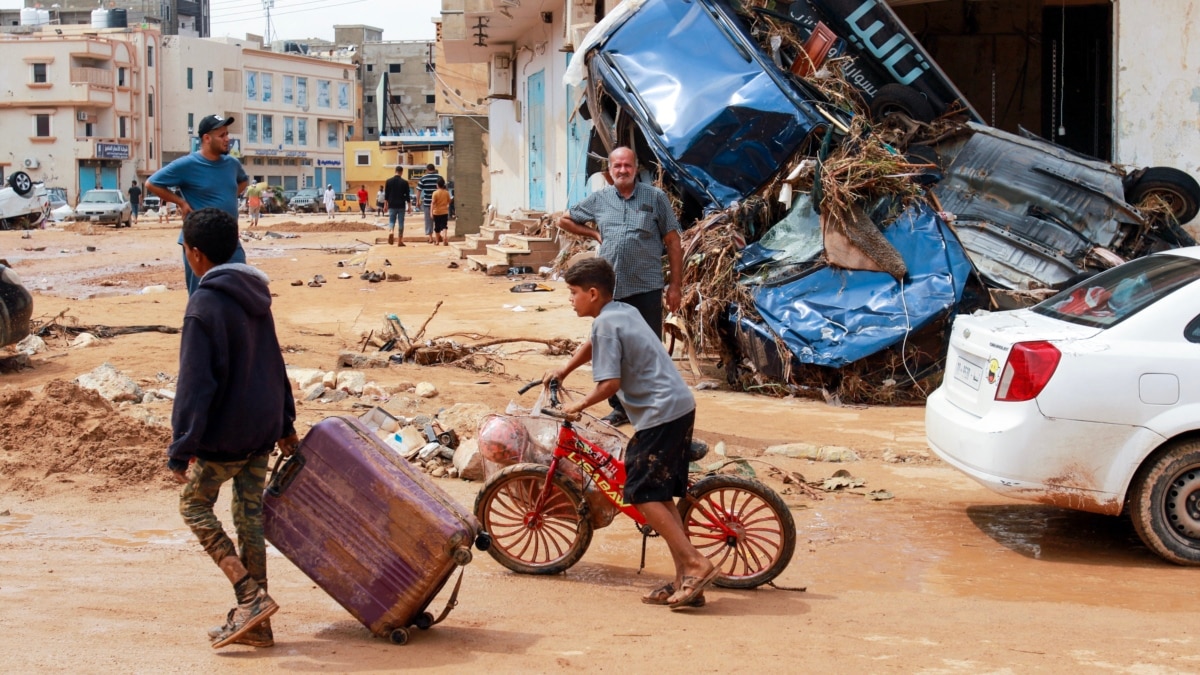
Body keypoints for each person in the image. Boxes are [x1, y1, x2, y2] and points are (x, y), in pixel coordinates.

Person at [544, 257, 716, 609]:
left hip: (660, 413)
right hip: (677, 405)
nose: (570, 299)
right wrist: (564, 370)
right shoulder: (620, 312)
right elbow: (594, 343)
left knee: (638, 492)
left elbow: (609, 384)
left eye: (573, 293)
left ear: (593, 294)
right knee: (660, 495)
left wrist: (577, 407)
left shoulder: (607, 325)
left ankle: (697, 564)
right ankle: (685, 577)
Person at [167, 207, 298, 648]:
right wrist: (285, 422)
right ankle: (257, 624)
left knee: (194, 507)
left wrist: (181, 446)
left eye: (185, 248)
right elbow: (274, 360)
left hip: (226, 436)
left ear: (196, 255)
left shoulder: (202, 305)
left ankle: (248, 595)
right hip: (261, 428)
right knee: (249, 520)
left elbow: (195, 385)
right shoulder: (255, 293)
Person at [556, 146, 684, 427]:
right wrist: (593, 233)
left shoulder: (655, 198)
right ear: (609, 171)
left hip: (646, 286)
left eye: (627, 165)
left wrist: (675, 286)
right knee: (610, 349)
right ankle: (620, 407)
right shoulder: (599, 200)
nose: (623, 170)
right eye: (617, 166)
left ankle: (654, 405)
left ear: (636, 168)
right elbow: (563, 219)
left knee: (647, 348)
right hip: (609, 291)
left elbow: (674, 242)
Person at [146, 114, 249, 295]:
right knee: (203, 294)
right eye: (222, 135)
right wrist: (181, 203)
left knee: (240, 291)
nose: (227, 139)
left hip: (230, 240)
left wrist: (226, 198)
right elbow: (152, 183)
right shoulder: (187, 164)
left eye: (227, 134)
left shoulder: (232, 164)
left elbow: (243, 181)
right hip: (200, 243)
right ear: (206, 139)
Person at [383, 166, 410, 247]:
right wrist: (409, 206)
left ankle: (391, 231)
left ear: (395, 171)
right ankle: (399, 241)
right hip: (401, 205)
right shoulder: (405, 182)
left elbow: (386, 195)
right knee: (401, 222)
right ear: (401, 172)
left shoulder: (388, 181)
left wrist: (385, 205)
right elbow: (407, 196)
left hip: (392, 205)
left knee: (391, 221)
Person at [417, 163, 442, 244]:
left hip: (427, 203)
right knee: (438, 220)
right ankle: (438, 236)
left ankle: (431, 238)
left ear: (427, 170)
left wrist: (418, 201)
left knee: (428, 220)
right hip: (438, 203)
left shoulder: (423, 178)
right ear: (434, 169)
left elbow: (419, 190)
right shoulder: (439, 177)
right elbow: (444, 189)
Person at [431, 177, 451, 246]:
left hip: (436, 212)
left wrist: (431, 212)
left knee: (437, 227)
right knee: (444, 226)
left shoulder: (435, 193)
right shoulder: (446, 193)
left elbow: (433, 203)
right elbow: (449, 201)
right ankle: (444, 236)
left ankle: (437, 241)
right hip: (444, 212)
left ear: (437, 185)